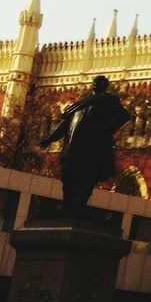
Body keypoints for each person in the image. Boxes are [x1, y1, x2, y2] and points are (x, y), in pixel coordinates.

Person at [40, 76, 130, 213]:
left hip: (93, 147)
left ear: (105, 85)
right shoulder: (79, 104)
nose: (95, 84)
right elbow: (64, 126)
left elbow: (124, 116)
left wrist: (106, 128)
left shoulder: (110, 100)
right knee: (68, 176)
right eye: (94, 82)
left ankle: (80, 205)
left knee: (88, 176)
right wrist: (49, 139)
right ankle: (67, 204)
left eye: (99, 82)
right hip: (74, 146)